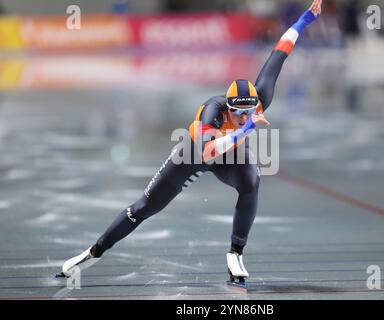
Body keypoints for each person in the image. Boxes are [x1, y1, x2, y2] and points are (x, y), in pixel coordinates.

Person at [60, 0, 322, 288]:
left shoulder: (260, 98)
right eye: (238, 112)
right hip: (195, 153)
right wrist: (245, 129)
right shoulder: (211, 110)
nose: (245, 115)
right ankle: (95, 250)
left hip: (230, 156)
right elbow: (210, 151)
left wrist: (305, 19)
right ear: (228, 107)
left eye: (249, 111)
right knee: (144, 207)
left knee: (251, 181)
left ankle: (235, 253)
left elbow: (279, 54)